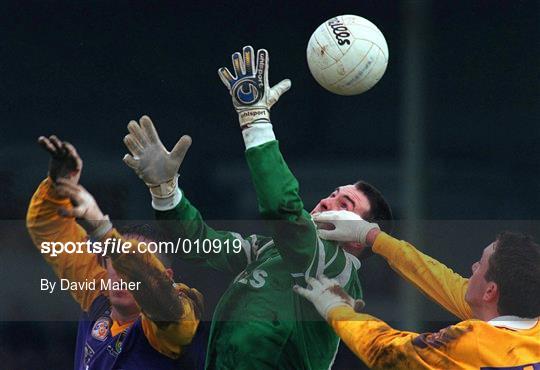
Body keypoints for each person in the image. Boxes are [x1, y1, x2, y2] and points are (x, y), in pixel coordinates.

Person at [121, 46, 392, 369]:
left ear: (358, 238)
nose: (327, 200)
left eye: (344, 203)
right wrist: (165, 193)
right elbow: (198, 244)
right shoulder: (272, 251)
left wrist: (255, 121)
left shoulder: (335, 268)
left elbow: (285, 211)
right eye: (333, 192)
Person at [26, 135, 206, 369]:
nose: (123, 276)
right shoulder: (98, 292)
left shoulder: (174, 317)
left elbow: (173, 317)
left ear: (166, 278)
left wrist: (104, 230)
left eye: (133, 267)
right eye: (117, 264)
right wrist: (58, 186)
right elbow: (48, 227)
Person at [295, 210, 540, 369]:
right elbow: (442, 281)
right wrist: (371, 236)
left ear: (490, 292)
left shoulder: (471, 343)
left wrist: (336, 309)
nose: (473, 266)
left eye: (480, 263)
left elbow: (388, 351)